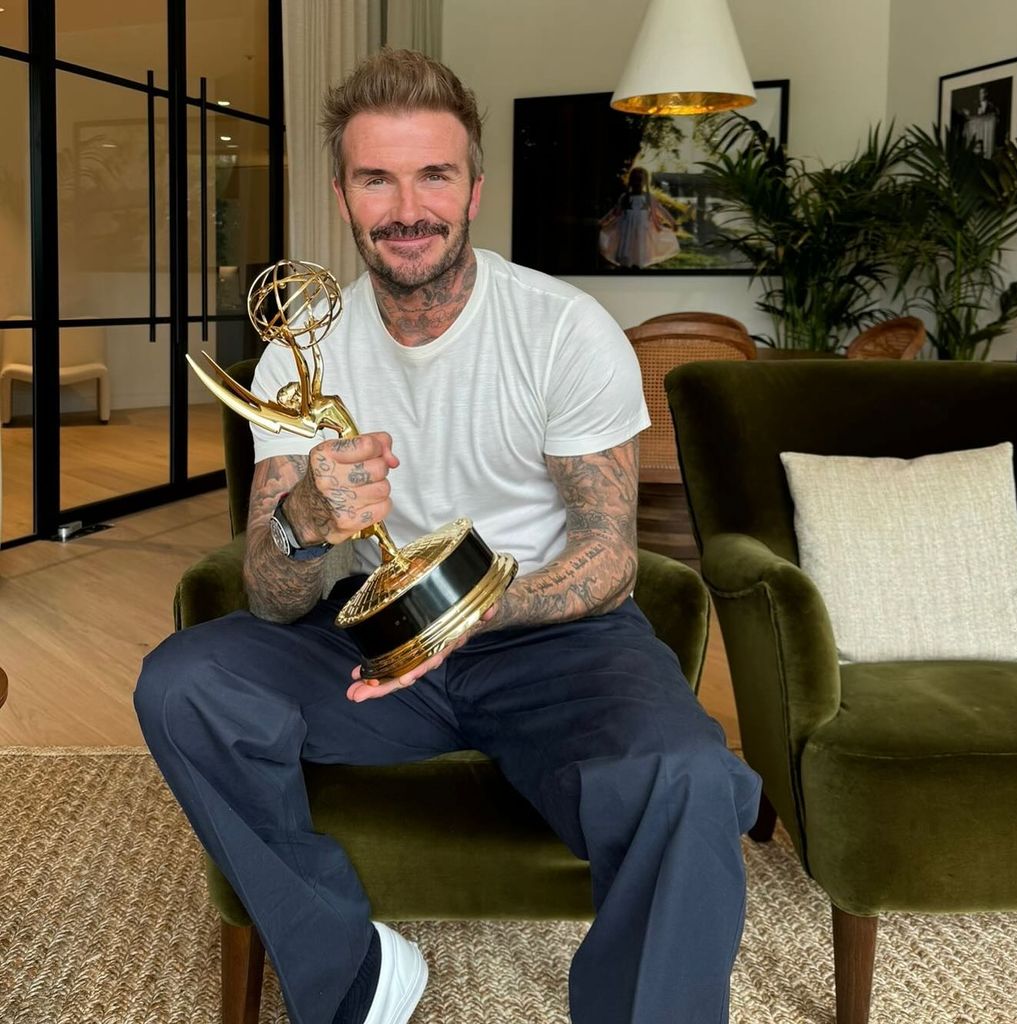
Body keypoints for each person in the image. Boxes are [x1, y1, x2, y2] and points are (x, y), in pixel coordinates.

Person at [134, 48, 761, 1024]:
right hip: (361, 637)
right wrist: (303, 520)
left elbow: (607, 553)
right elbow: (267, 591)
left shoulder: (563, 329)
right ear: (342, 194)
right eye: (377, 178)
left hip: (550, 638)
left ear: (474, 188)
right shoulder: (300, 351)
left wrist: (466, 615)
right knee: (182, 683)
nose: (407, 206)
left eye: (433, 174)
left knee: (684, 772)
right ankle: (352, 970)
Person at [599, 165, 679, 268]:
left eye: (640, 179)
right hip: (626, 232)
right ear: (630, 181)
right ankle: (625, 267)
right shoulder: (625, 197)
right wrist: (603, 221)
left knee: (639, 253)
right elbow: (614, 212)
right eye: (635, 179)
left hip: (641, 231)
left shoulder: (648, 197)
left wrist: (672, 222)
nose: (637, 182)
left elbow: (661, 210)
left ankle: (637, 268)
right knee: (625, 256)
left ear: (645, 182)